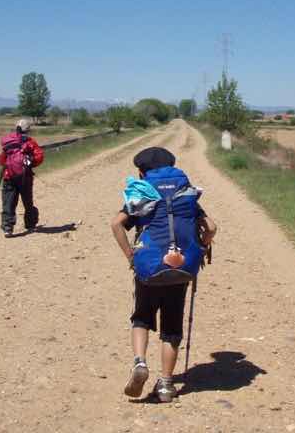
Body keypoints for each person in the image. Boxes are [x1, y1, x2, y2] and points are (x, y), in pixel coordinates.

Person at [111, 147, 217, 403]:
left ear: (141, 171)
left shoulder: (142, 193)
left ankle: (139, 363)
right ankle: (167, 385)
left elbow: (116, 224)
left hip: (149, 267)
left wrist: (131, 257)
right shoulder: (185, 193)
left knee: (142, 317)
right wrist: (202, 245)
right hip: (180, 269)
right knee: (172, 325)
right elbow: (211, 227)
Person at [0, 119, 44, 237]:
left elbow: (2, 160)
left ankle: (8, 227)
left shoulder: (8, 141)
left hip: (9, 176)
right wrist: (30, 164)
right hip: (25, 177)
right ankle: (30, 224)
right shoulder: (30, 142)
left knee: (8, 202)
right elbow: (39, 156)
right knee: (27, 201)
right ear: (28, 130)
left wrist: (10, 166)